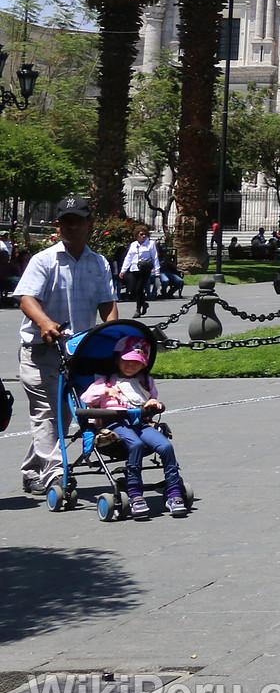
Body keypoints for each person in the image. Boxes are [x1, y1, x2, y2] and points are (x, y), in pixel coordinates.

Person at [16, 197, 117, 498]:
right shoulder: (44, 260)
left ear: (90, 224)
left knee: (62, 413)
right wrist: (45, 323)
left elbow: (107, 304)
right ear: (57, 225)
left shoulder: (98, 262)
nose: (72, 226)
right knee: (48, 413)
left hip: (77, 351)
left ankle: (34, 472)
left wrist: (110, 335)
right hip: (40, 350)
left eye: (78, 220)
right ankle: (56, 476)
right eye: (66, 221)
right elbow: (26, 299)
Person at [80, 340, 188, 518]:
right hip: (115, 423)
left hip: (139, 423)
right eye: (126, 360)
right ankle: (135, 494)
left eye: (136, 362)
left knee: (165, 446)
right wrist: (105, 393)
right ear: (117, 360)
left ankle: (174, 491)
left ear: (143, 364)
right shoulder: (106, 382)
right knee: (135, 445)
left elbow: (150, 401)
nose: (131, 365)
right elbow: (87, 397)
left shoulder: (144, 381)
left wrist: (153, 403)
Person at [118, 226, 159, 318]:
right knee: (132, 290)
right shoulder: (133, 245)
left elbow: (155, 258)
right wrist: (123, 270)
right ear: (136, 235)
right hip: (134, 269)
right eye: (141, 234)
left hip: (144, 270)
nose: (143, 236)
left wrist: (157, 273)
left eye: (145, 234)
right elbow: (128, 258)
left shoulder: (151, 244)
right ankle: (144, 303)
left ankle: (138, 309)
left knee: (139, 289)